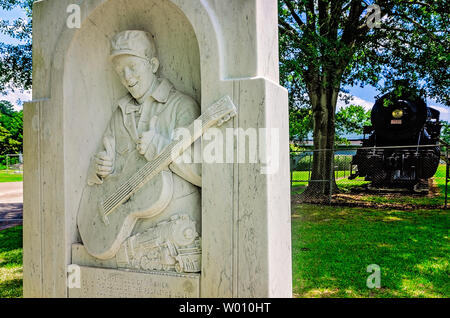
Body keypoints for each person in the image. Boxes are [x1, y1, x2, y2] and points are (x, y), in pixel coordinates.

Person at [86, 30, 202, 239]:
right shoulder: (119, 114)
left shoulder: (182, 106)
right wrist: (101, 169)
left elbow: (202, 172)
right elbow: (102, 171)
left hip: (173, 229)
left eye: (132, 67)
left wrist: (159, 147)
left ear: (153, 65)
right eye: (120, 71)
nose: (127, 77)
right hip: (126, 229)